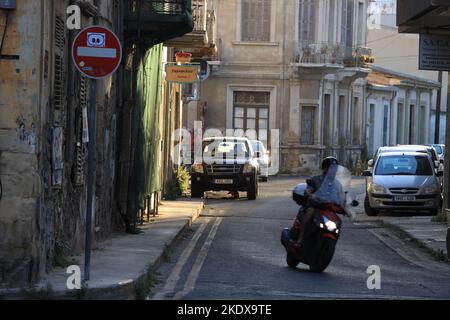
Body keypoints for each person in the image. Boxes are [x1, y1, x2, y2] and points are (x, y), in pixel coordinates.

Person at [296, 156, 344, 247]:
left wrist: (346, 204)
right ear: (325, 168)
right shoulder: (315, 179)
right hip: (316, 206)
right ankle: (300, 239)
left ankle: (333, 240)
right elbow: (308, 189)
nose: (333, 171)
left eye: (335, 169)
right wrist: (310, 194)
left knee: (338, 220)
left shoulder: (337, 183)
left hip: (329, 208)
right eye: (331, 168)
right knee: (310, 212)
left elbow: (341, 195)